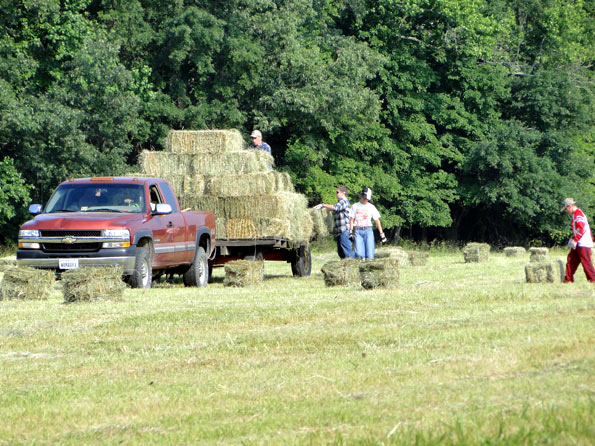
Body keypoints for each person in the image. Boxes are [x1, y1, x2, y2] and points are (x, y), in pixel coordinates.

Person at [561, 197, 595, 283]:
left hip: (583, 242)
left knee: (586, 262)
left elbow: (581, 228)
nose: (566, 211)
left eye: (566, 209)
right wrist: (573, 239)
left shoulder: (578, 214)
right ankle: (568, 280)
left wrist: (575, 239)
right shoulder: (576, 214)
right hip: (579, 242)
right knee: (571, 259)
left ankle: (593, 279)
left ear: (569, 206)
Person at [349, 187, 387, 259]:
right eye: (364, 197)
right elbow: (351, 219)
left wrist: (382, 235)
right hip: (357, 231)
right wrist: (350, 232)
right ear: (361, 195)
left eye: (366, 198)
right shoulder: (355, 206)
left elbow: (377, 221)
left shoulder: (371, 207)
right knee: (359, 253)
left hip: (368, 230)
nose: (365, 200)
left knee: (370, 254)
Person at [318, 185, 354, 259]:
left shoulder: (344, 201)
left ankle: (351, 268)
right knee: (341, 253)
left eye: (337, 192)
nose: (336, 194)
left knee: (347, 253)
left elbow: (335, 207)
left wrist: (323, 205)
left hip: (344, 231)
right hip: (339, 232)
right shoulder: (340, 202)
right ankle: (345, 268)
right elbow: (334, 208)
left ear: (343, 193)